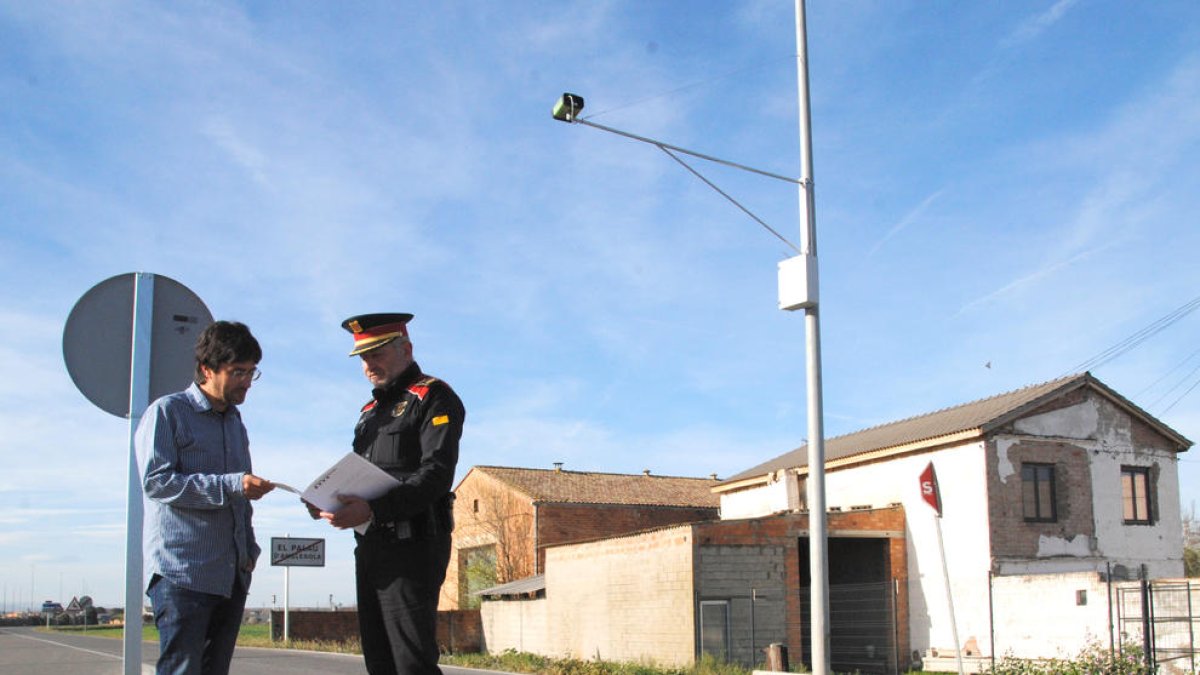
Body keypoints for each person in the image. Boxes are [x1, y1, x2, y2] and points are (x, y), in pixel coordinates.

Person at [308, 312, 464, 675]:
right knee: (379, 660)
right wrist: (327, 500)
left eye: (376, 354)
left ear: (406, 349)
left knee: (411, 662)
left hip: (415, 545)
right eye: (363, 358)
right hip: (371, 545)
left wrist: (373, 510)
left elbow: (436, 475)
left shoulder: (433, 396)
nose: (368, 365)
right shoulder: (369, 413)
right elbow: (359, 475)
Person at [136, 320, 275, 675]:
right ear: (206, 369)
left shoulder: (235, 422)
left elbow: (238, 499)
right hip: (183, 575)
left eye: (251, 372)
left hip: (230, 575)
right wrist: (232, 484)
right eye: (237, 371)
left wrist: (249, 550)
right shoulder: (167, 412)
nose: (246, 381)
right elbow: (157, 483)